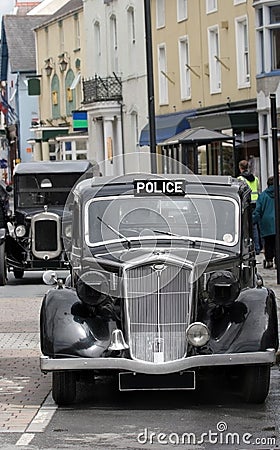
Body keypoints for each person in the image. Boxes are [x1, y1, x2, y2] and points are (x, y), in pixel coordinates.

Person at [238, 159, 261, 254]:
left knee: (246, 227)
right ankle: (258, 247)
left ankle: (249, 247)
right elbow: (258, 189)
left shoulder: (240, 179)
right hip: (256, 203)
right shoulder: (255, 178)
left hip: (247, 204)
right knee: (255, 226)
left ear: (240, 168)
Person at [253, 176, 276, 268]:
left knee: (268, 242)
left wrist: (253, 221)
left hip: (266, 223)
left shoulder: (262, 196)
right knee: (276, 242)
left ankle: (269, 260)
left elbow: (258, 210)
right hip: (277, 223)